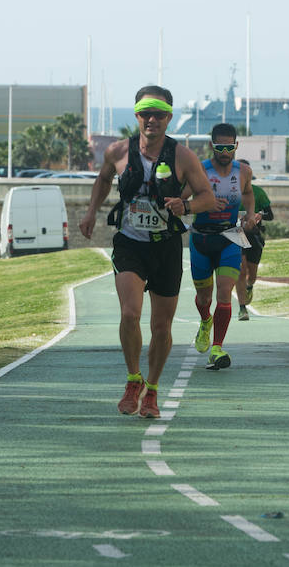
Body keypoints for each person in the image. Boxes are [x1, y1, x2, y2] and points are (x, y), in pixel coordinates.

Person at [80, 85, 219, 419]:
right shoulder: (117, 152)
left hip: (166, 247)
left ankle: (152, 389)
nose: (152, 120)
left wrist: (184, 205)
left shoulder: (182, 157)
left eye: (159, 114)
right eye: (146, 114)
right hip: (130, 243)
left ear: (169, 118)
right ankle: (132, 379)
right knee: (129, 313)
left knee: (161, 327)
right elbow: (101, 180)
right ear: (137, 116)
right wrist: (90, 212)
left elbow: (208, 198)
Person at [184, 124, 256, 369]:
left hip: (230, 237)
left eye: (229, 147)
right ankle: (205, 321)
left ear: (236, 146)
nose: (224, 152)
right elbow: (181, 200)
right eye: (219, 147)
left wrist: (249, 216)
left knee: (224, 292)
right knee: (204, 297)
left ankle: (217, 349)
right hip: (201, 238)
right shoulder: (199, 170)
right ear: (211, 146)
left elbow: (248, 194)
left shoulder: (244, 171)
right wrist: (203, 204)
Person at [235, 159, 274, 320]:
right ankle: (242, 308)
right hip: (236, 234)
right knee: (241, 270)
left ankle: (250, 285)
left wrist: (259, 215)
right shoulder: (229, 194)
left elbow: (270, 215)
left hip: (254, 235)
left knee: (251, 273)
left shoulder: (258, 193)